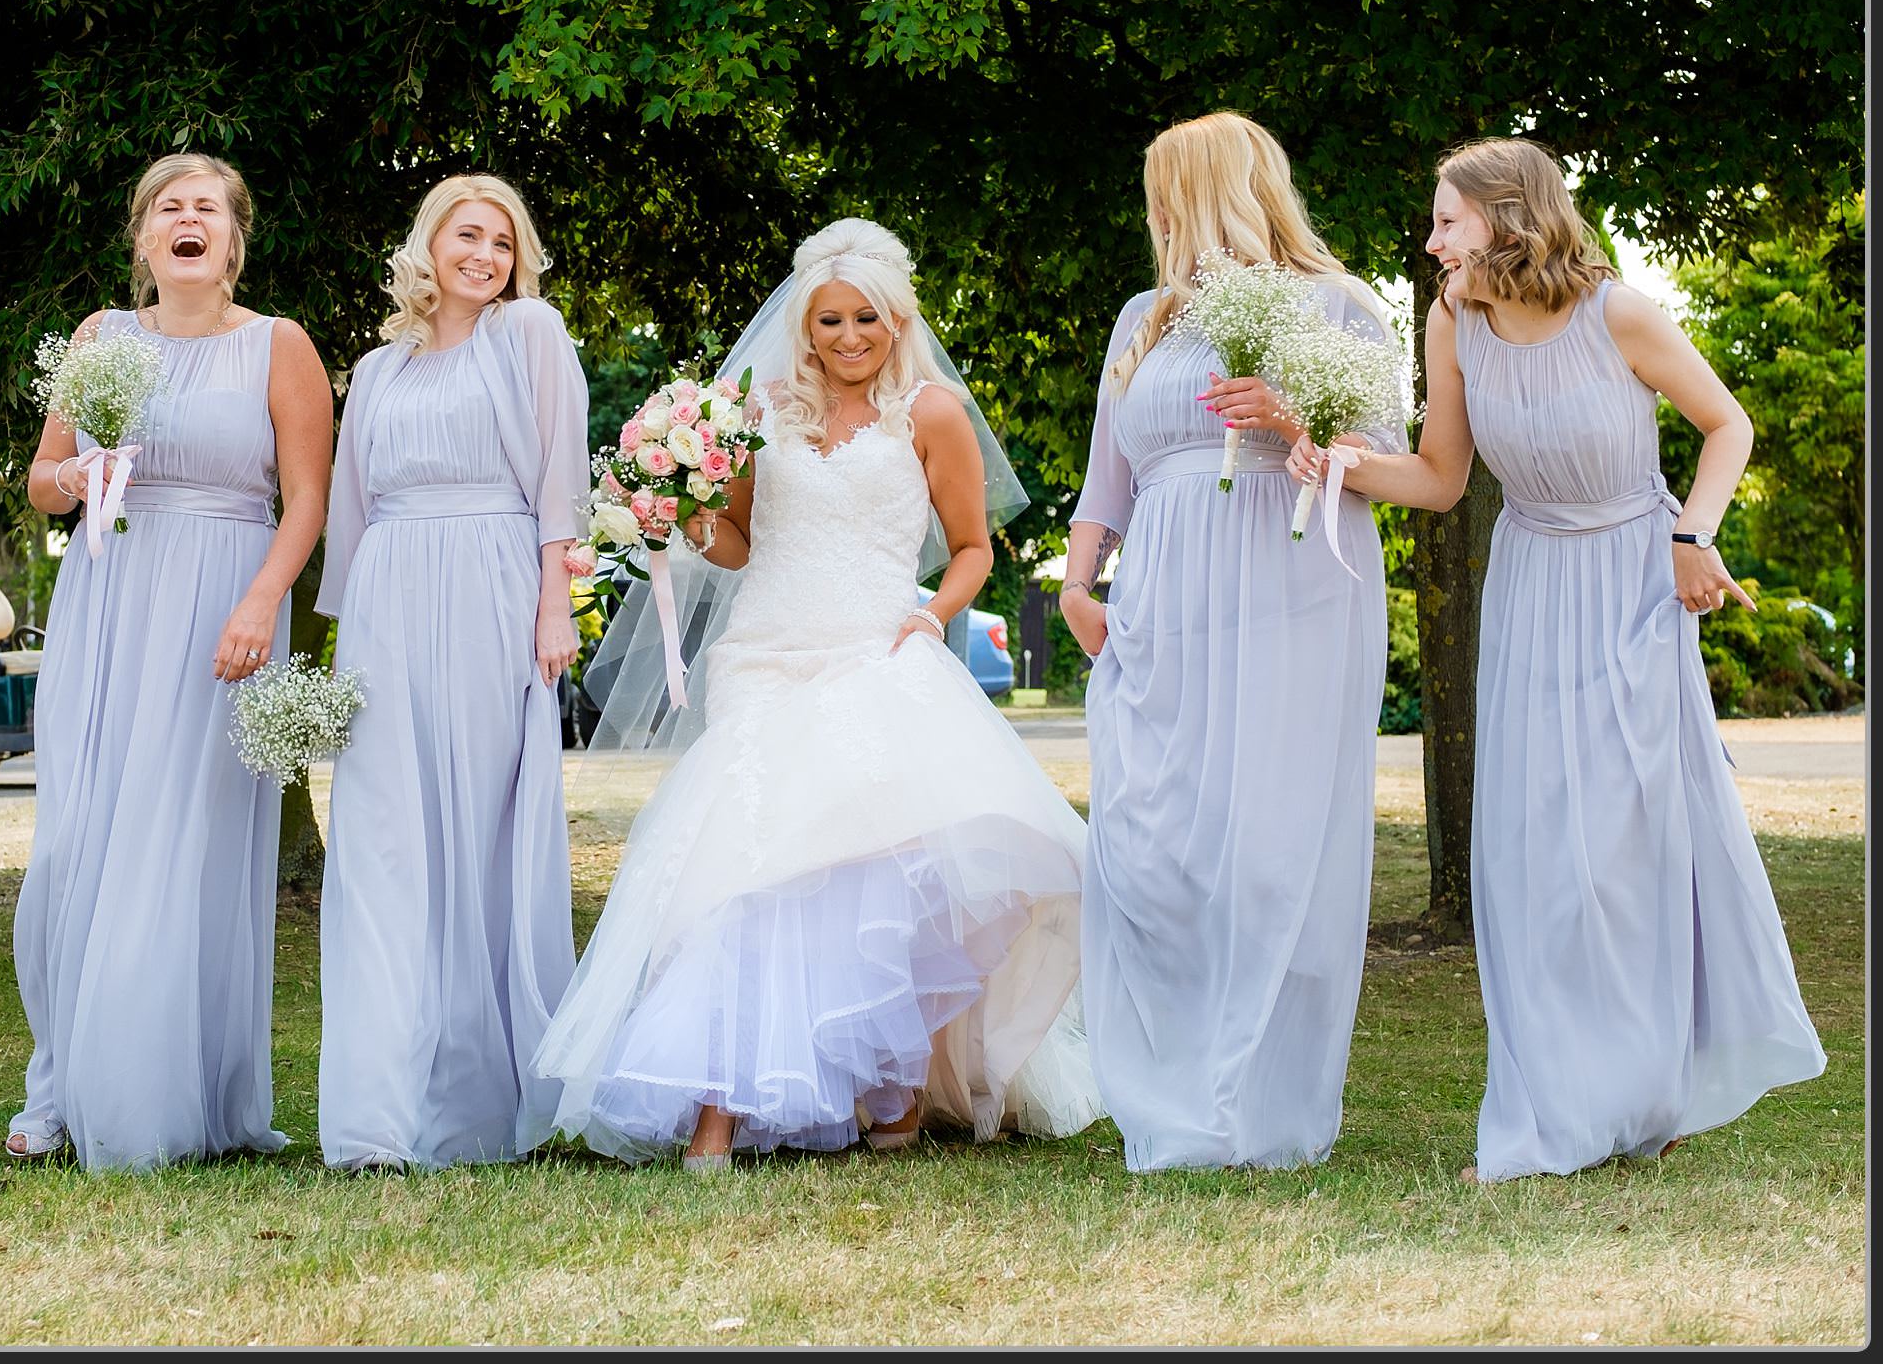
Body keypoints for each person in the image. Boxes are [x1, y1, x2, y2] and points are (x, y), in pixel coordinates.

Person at [1293, 135, 1827, 1183]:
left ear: (1508, 215)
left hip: (1633, 579)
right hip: (1533, 585)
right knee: (1536, 857)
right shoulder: (1454, 321)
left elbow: (1727, 425)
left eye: (1449, 218)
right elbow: (1443, 476)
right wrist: (1345, 466)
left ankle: (1651, 1085)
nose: (1433, 238)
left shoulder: (1616, 311)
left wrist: (1693, 537)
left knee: (1627, 850)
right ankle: (1554, 1104)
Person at [534, 217, 1102, 1171]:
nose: (847, 337)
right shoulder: (764, 413)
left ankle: (894, 1086)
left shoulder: (931, 413)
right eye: (829, 320)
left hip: (876, 649)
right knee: (743, 868)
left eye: (865, 319)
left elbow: (973, 549)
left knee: (886, 871)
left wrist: (932, 617)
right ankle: (718, 1108)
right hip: (765, 651)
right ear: (804, 326)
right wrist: (675, 516)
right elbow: (741, 543)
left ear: (896, 319)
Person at [1059, 111, 1402, 1171]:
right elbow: (1105, 476)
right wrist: (1079, 581)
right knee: (1148, 844)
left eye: (1164, 187)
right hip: (1162, 594)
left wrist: (1298, 424)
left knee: (1267, 846)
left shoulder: (1340, 307)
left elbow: (1388, 459)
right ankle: (1167, 1083)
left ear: (1211, 188)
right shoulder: (1144, 320)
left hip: (1292, 585)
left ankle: (1256, 1104)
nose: (1153, 210)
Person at [8, 153, 334, 1170]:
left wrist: (258, 602)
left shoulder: (279, 346)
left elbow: (308, 499)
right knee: (79, 839)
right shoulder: (102, 338)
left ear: (233, 241)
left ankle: (184, 1093)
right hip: (111, 600)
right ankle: (59, 1086)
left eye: (208, 209)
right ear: (144, 237)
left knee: (185, 845)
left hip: (224, 608)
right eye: (167, 207)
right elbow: (42, 487)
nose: (187, 220)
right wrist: (77, 469)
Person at [315, 173, 589, 1172]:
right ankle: (378, 1113)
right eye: (467, 234)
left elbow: (561, 473)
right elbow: (352, 508)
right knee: (384, 838)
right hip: (389, 601)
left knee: (480, 829)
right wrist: (341, 652)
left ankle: (487, 1095)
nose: (484, 255)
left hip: (492, 587)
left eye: (503, 243)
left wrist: (553, 601)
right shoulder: (376, 368)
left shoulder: (531, 337)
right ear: (428, 244)